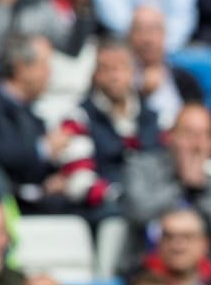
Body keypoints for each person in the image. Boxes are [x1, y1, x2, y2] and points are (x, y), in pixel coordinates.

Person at [119, 104, 211, 271]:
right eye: (189, 134)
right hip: (143, 273)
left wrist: (200, 189)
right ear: (169, 136)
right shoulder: (142, 167)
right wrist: (181, 185)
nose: (197, 145)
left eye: (205, 136)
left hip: (197, 278)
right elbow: (138, 212)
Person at [53, 38, 163, 214]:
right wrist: (119, 196)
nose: (114, 76)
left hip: (153, 204)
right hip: (106, 208)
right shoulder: (78, 118)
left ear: (133, 71)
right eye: (106, 69)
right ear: (94, 74)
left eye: (121, 67)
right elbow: (79, 181)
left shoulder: (152, 117)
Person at [0, 34, 62, 205]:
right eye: (44, 66)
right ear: (21, 68)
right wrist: (43, 149)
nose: (49, 74)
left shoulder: (31, 111)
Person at [129, 6, 204, 130]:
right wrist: (141, 95)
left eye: (153, 30)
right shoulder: (118, 79)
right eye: (140, 30)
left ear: (165, 35)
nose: (147, 39)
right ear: (130, 36)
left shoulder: (186, 80)